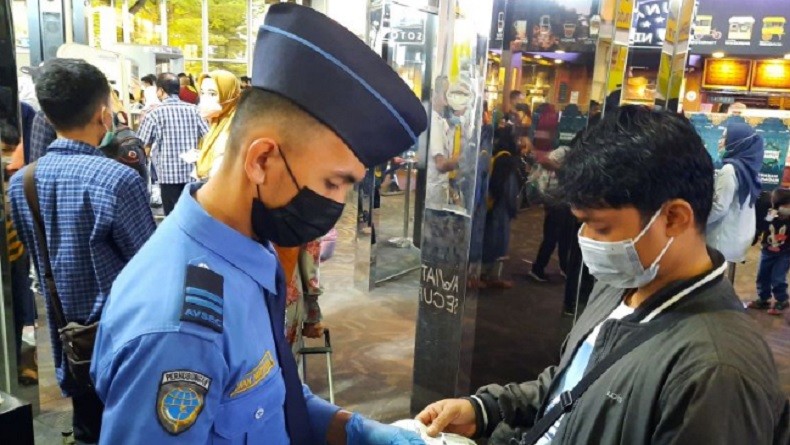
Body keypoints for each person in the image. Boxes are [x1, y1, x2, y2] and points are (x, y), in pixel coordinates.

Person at [91, 4, 428, 444]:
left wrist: (350, 430)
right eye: (332, 182)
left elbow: (266, 395)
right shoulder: (180, 332)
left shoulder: (248, 248)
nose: (338, 204)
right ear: (262, 159)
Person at [416, 106, 789, 445]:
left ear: (674, 217)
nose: (587, 241)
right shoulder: (621, 283)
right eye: (582, 223)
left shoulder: (717, 373)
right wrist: (486, 409)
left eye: (602, 227)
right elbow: (574, 382)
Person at [8, 58, 156, 444]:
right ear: (103, 114)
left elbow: (36, 254)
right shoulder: (118, 179)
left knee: (87, 429)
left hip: (71, 342)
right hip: (125, 340)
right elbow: (151, 264)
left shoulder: (22, 182)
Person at [137, 73, 209, 215]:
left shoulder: (154, 114)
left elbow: (142, 144)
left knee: (172, 216)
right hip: (192, 174)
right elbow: (208, 137)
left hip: (167, 176)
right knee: (191, 215)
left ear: (161, 90)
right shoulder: (195, 110)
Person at [706, 123, 763, 280]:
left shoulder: (729, 170)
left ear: (737, 142)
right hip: (738, 235)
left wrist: (696, 223)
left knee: (715, 282)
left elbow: (719, 207)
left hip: (722, 238)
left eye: (725, 138)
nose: (720, 142)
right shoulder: (748, 169)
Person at [481, 126, 520, 288]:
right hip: (501, 208)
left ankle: (486, 275)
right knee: (497, 243)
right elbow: (508, 189)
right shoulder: (507, 160)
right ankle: (490, 277)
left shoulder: (494, 157)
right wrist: (513, 209)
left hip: (492, 205)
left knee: (489, 239)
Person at [749, 188, 790, 316]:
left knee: (778, 277)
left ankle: (782, 300)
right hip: (767, 252)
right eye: (786, 205)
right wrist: (769, 217)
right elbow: (763, 226)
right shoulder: (770, 215)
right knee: (763, 275)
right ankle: (763, 298)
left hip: (784, 254)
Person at [195, 69, 241, 180]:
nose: (204, 99)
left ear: (228, 95)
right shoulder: (216, 123)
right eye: (202, 93)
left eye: (212, 94)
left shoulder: (234, 129)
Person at [426, 75, 456, 209]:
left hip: (440, 189)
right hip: (434, 191)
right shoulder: (434, 123)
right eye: (445, 94)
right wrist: (461, 161)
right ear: (435, 95)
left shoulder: (441, 122)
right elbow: (440, 164)